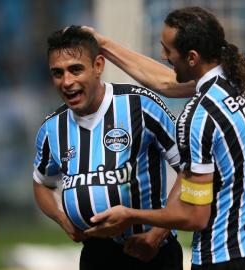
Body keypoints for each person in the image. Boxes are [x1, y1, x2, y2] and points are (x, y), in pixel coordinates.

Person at [85, 6, 245, 270]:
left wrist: (130, 215)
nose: (163, 55)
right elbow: (166, 83)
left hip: (228, 256)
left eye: (168, 50)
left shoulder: (198, 118)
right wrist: (104, 44)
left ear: (192, 58)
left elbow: (195, 216)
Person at [32, 25, 183, 270]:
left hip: (152, 251)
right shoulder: (51, 128)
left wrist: (157, 234)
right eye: (58, 73)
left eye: (76, 69)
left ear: (98, 66)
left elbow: (191, 170)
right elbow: (41, 183)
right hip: (96, 255)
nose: (67, 82)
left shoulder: (140, 105)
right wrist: (62, 218)